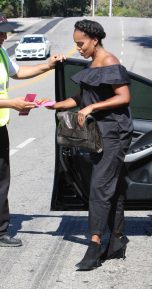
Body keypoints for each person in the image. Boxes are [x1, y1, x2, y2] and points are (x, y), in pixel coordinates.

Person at [46, 19, 133, 270]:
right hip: (99, 133)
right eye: (76, 44)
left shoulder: (109, 61)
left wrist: (92, 107)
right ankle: (116, 240)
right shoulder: (93, 62)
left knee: (99, 188)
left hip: (114, 133)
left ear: (94, 40)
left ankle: (94, 245)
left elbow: (124, 97)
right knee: (111, 188)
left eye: (80, 43)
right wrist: (54, 104)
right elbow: (82, 97)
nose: (78, 48)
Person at [0, 14, 65, 247]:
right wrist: (12, 103)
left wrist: (47, 65)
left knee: (1, 180)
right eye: (1, 32)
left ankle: (0, 230)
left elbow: (18, 73)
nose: (5, 36)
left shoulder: (1, 53)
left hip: (0, 127)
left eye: (6, 31)